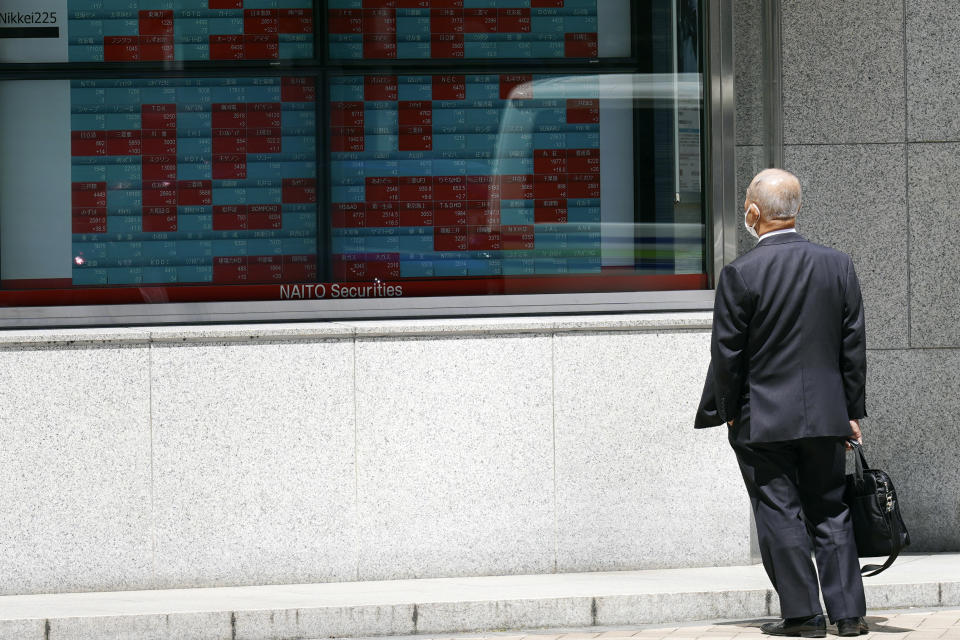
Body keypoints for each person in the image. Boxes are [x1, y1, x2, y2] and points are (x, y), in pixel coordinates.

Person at [695, 169, 868, 638]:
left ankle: (804, 615)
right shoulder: (838, 264)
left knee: (778, 510)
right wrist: (851, 411)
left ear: (753, 213)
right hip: (827, 415)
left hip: (762, 417)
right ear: (796, 210)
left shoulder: (740, 273)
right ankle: (849, 615)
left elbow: (726, 354)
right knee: (831, 508)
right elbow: (852, 347)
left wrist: (727, 412)